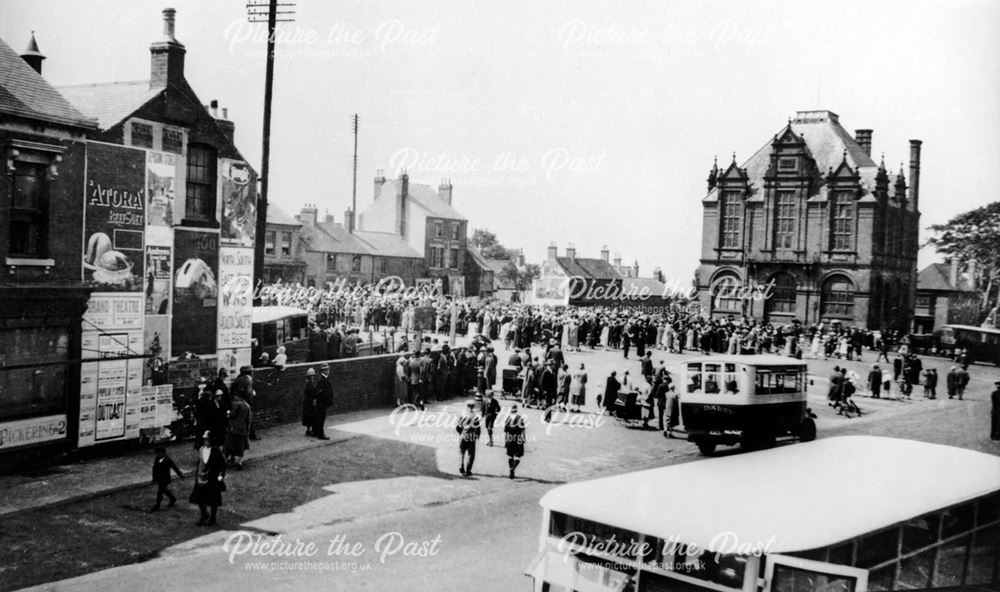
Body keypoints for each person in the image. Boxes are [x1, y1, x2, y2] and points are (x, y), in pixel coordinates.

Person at [189, 432, 226, 526]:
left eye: (207, 439)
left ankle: (213, 517)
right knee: (199, 498)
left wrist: (220, 476)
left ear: (211, 440)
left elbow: (223, 465)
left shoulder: (216, 452)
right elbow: (201, 461)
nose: (205, 441)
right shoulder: (201, 449)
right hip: (201, 477)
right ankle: (204, 514)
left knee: (213, 500)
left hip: (212, 479)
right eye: (204, 439)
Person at [150, 445, 183, 512]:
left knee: (160, 492)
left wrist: (180, 474)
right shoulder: (157, 459)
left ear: (163, 453)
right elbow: (154, 469)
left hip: (165, 478)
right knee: (164, 490)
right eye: (157, 453)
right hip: (159, 478)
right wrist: (154, 478)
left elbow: (174, 467)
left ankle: (157, 506)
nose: (157, 454)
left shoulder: (168, 460)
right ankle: (172, 498)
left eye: (159, 453)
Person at [224, 390, 252, 468]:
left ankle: (227, 458)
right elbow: (248, 419)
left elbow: (232, 415)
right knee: (241, 446)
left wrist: (228, 413)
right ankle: (239, 462)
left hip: (233, 429)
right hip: (242, 429)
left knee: (230, 444)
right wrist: (248, 430)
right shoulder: (247, 406)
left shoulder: (237, 405)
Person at [456, 401, 481, 477]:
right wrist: (477, 436)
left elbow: (458, 427)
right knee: (471, 454)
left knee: (461, 451)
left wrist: (461, 433)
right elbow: (478, 428)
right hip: (472, 436)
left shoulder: (462, 415)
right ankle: (468, 470)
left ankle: (461, 465)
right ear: (473, 407)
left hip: (464, 435)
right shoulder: (475, 416)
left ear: (467, 406)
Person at [504, 404, 526, 479]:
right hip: (518, 438)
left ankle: (511, 469)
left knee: (510, 456)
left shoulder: (508, 418)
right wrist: (524, 438)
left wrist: (506, 439)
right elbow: (523, 429)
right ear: (516, 410)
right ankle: (513, 468)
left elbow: (506, 431)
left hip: (510, 438)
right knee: (518, 456)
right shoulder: (519, 418)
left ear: (510, 410)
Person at [312, 365, 334, 439]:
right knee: (321, 418)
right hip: (322, 403)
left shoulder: (324, 379)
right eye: (326, 370)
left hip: (322, 402)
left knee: (320, 418)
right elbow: (318, 392)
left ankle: (317, 432)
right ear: (323, 371)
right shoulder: (321, 380)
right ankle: (320, 434)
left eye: (328, 370)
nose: (328, 371)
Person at [302, 368, 318, 436]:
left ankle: (310, 430)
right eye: (311, 375)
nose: (312, 376)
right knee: (310, 416)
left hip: (309, 402)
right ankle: (309, 430)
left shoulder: (311, 382)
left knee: (311, 416)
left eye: (313, 375)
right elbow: (310, 392)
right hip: (309, 402)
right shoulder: (309, 383)